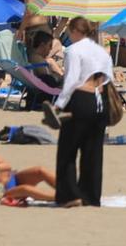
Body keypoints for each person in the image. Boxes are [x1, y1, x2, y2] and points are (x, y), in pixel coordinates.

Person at [49, 16, 113, 207]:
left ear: (75, 31)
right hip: (100, 99)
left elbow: (71, 80)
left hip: (81, 99)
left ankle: (70, 195)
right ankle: (91, 196)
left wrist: (59, 104)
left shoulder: (73, 50)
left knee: (68, 150)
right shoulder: (101, 51)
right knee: (93, 152)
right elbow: (108, 78)